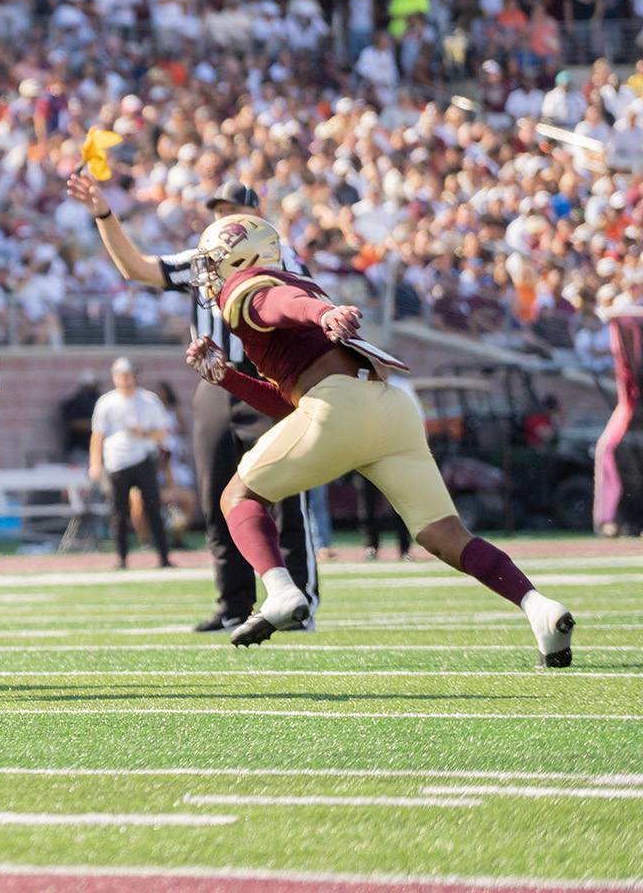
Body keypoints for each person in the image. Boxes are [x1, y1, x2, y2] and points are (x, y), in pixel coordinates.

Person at [183, 214, 573, 664]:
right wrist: (228, 378)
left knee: (237, 497)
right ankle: (539, 607)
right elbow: (291, 402)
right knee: (445, 535)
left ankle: (279, 591)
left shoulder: (250, 287)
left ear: (242, 256)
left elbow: (277, 303)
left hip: (338, 408)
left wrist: (321, 313)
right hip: (388, 408)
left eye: (214, 262)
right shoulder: (300, 284)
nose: (211, 275)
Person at [66, 172, 319, 633]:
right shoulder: (204, 261)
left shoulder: (284, 261)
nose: (223, 222)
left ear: (257, 220)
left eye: (233, 213)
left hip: (271, 381)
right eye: (219, 213)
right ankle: (234, 604)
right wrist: (104, 215)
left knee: (282, 490)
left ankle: (298, 598)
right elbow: (138, 269)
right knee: (217, 494)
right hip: (216, 386)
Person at [89, 357, 173, 569]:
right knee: (118, 512)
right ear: (114, 377)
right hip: (116, 461)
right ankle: (121, 557)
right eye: (121, 375)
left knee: (153, 508)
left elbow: (162, 432)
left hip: (143, 459)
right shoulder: (106, 402)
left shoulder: (149, 400)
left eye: (128, 375)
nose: (125, 380)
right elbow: (97, 435)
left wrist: (143, 433)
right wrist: (95, 463)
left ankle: (163, 556)